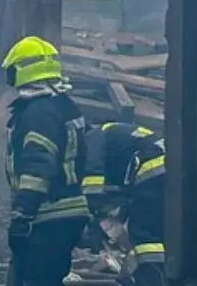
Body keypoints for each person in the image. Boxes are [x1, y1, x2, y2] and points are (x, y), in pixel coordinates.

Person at [1, 35, 91, 286]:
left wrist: (22, 215)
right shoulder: (63, 105)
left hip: (49, 215)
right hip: (67, 214)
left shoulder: (38, 113)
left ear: (21, 70)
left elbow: (38, 167)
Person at [82, 122, 166, 286]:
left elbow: (93, 175)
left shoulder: (92, 136)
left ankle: (150, 280)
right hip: (171, 170)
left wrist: (91, 208)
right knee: (161, 232)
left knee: (145, 237)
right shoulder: (119, 135)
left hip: (150, 169)